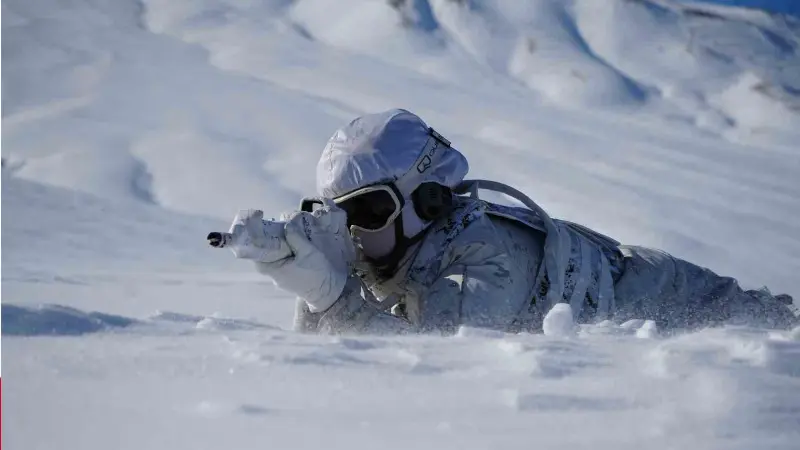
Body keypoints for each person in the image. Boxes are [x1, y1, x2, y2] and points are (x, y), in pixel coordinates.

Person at [222, 109, 798, 335]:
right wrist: (310, 283)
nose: (353, 231)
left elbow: (425, 373)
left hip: (680, 299)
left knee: (774, 326)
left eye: (368, 211)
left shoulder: (487, 254)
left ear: (426, 200)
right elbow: (326, 361)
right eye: (338, 215)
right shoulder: (412, 248)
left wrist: (332, 297)